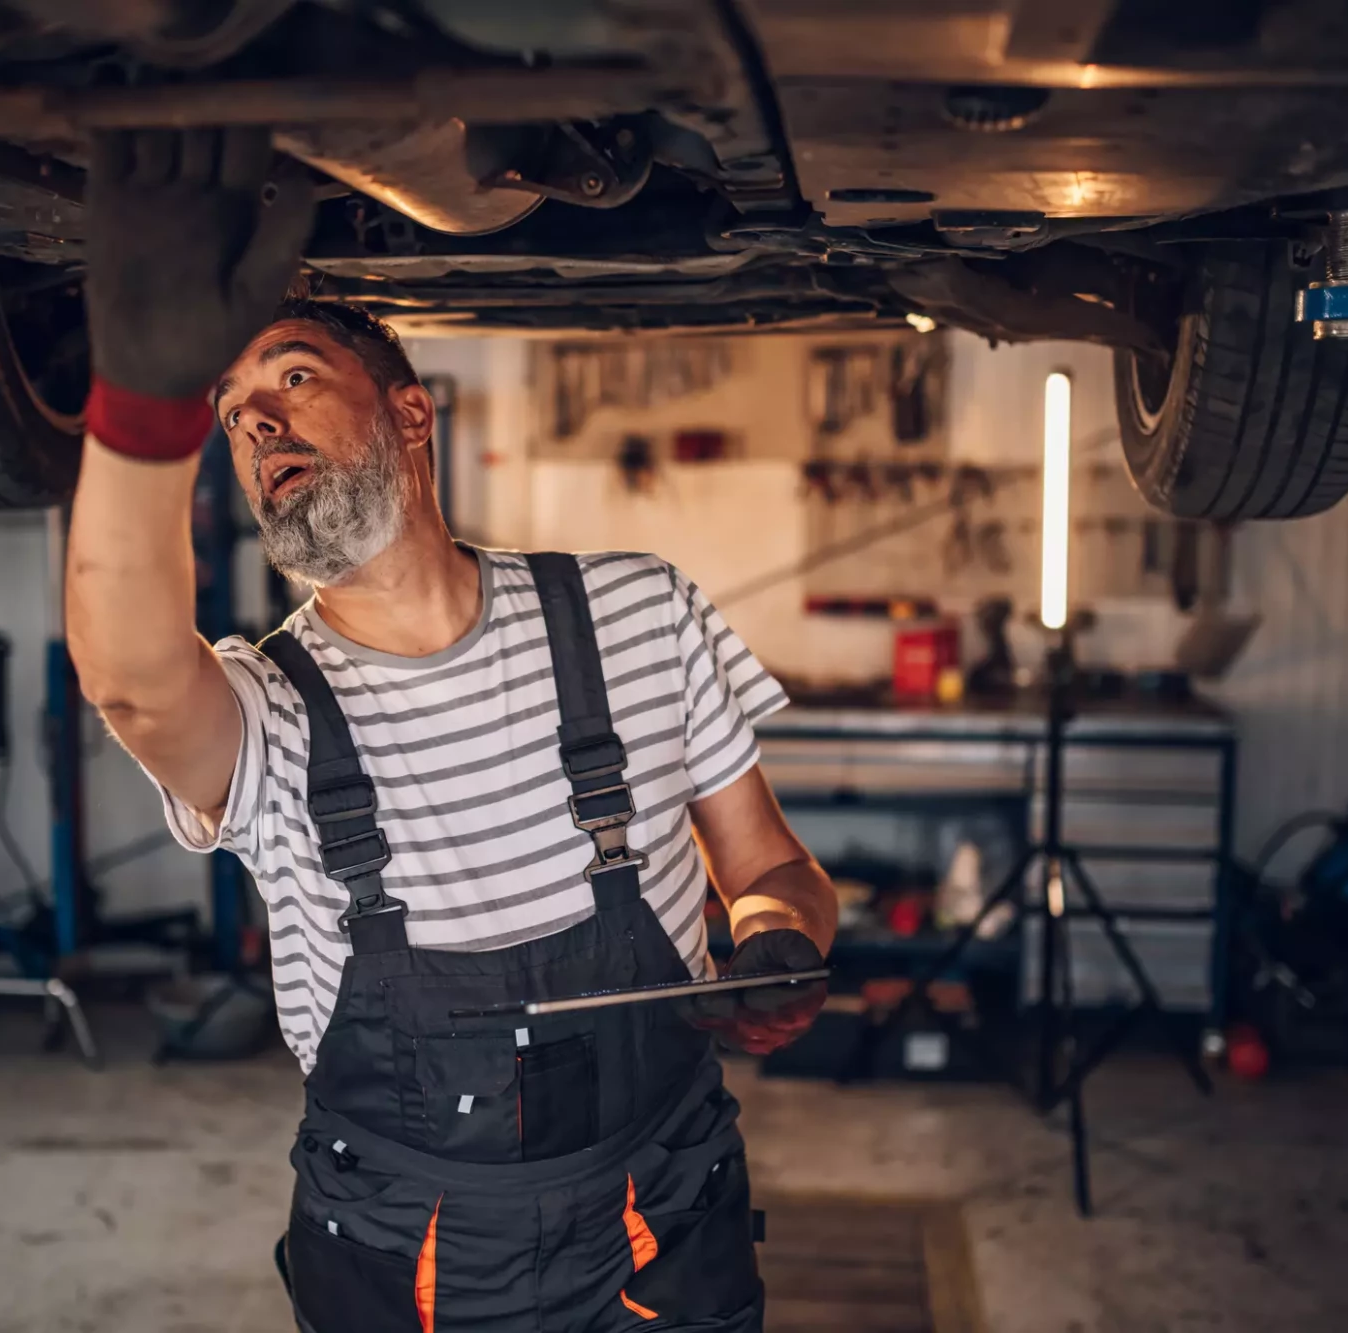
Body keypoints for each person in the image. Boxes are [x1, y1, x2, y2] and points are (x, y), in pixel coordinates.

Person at [67, 128, 837, 1333]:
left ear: (411, 415)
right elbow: (131, 683)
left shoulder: (635, 606)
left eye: (293, 379)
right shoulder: (264, 706)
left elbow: (770, 870)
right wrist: (144, 404)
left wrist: (779, 939)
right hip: (410, 1262)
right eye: (231, 413)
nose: (256, 421)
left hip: (663, 1221)